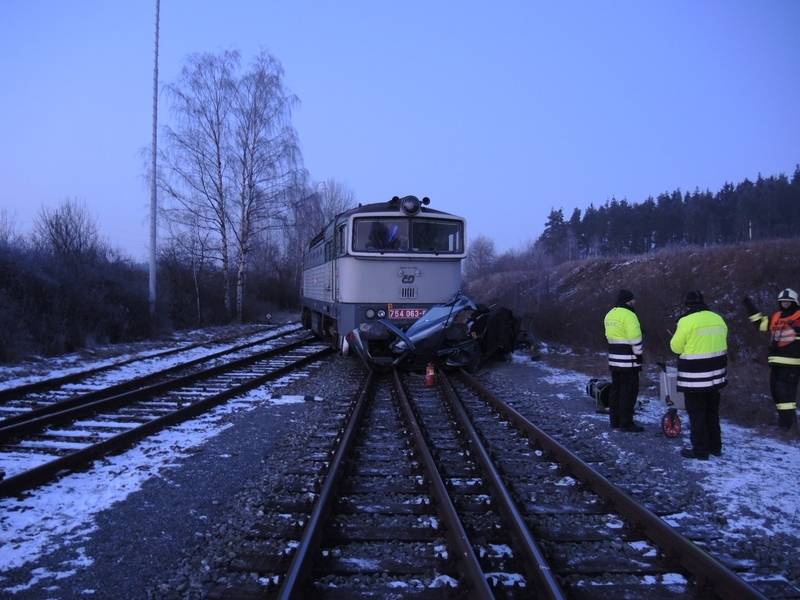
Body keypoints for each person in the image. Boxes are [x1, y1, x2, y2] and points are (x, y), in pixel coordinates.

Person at [670, 291, 728, 460]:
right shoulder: (718, 318)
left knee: (697, 415)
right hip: (716, 377)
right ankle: (715, 447)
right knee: (712, 413)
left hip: (695, 379)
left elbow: (676, 347)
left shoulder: (686, 321)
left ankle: (700, 450)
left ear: (687, 305)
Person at [743, 288, 800, 431]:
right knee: (776, 392)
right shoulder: (776, 316)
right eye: (783, 302)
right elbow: (761, 325)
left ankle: (789, 425)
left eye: (788, 302)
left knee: (785, 393)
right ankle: (784, 423)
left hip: (792, 363)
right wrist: (749, 306)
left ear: (794, 302)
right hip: (776, 362)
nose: (785, 304)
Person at [604, 289, 644, 432]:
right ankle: (626, 423)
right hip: (629, 361)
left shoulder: (610, 314)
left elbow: (608, 337)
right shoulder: (629, 315)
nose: (635, 302)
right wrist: (639, 355)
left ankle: (614, 421)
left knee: (616, 390)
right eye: (633, 300)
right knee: (629, 392)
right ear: (629, 300)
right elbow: (635, 338)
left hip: (614, 360)